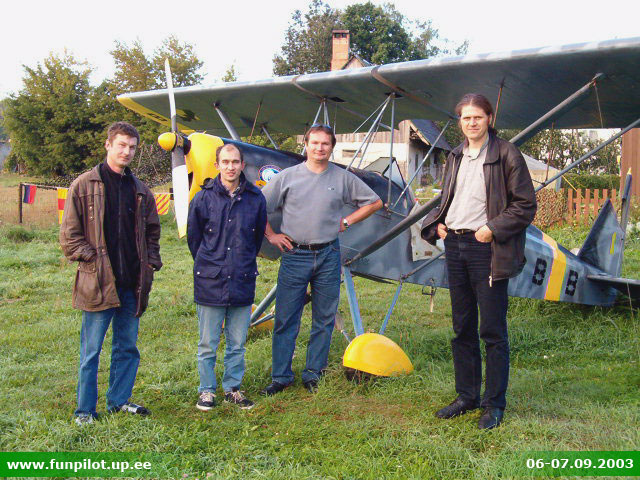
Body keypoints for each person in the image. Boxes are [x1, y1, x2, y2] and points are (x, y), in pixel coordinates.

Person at [421, 94, 537, 429]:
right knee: (462, 327)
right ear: (460, 122)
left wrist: (492, 228)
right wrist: (437, 223)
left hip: (486, 247)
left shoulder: (506, 153)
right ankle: (467, 397)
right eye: (466, 118)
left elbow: (525, 205)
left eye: (478, 117)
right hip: (454, 244)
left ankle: (494, 404)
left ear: (489, 118)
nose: (472, 123)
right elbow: (447, 199)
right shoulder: (455, 155)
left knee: (492, 330)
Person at [260, 124, 383, 395]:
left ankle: (313, 373)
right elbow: (258, 207)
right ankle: (281, 376)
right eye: (314, 143)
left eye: (325, 143)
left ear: (331, 147)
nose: (319, 148)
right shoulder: (288, 177)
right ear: (305, 145)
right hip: (294, 254)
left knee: (324, 317)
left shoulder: (343, 177)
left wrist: (347, 221)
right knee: (286, 318)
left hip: (328, 254)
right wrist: (271, 235)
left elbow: (374, 203)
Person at [60, 122, 162, 425]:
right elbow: (69, 237)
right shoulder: (83, 185)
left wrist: (149, 262)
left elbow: (153, 233)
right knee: (91, 351)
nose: (126, 152)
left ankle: (119, 401)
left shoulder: (141, 190)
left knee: (127, 347)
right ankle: (85, 411)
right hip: (98, 283)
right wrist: (95, 259)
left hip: (132, 284)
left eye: (132, 147)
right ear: (108, 145)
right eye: (121, 145)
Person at [187, 143, 267, 410]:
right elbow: (194, 240)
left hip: (242, 278)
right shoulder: (202, 198)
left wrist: (240, 261)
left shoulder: (256, 198)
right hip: (210, 279)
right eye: (225, 162)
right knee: (207, 343)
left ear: (242, 165)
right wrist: (211, 264)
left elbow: (256, 239)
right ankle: (206, 391)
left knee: (237, 342)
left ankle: (233, 388)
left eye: (235, 162)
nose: (230, 167)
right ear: (217, 165)